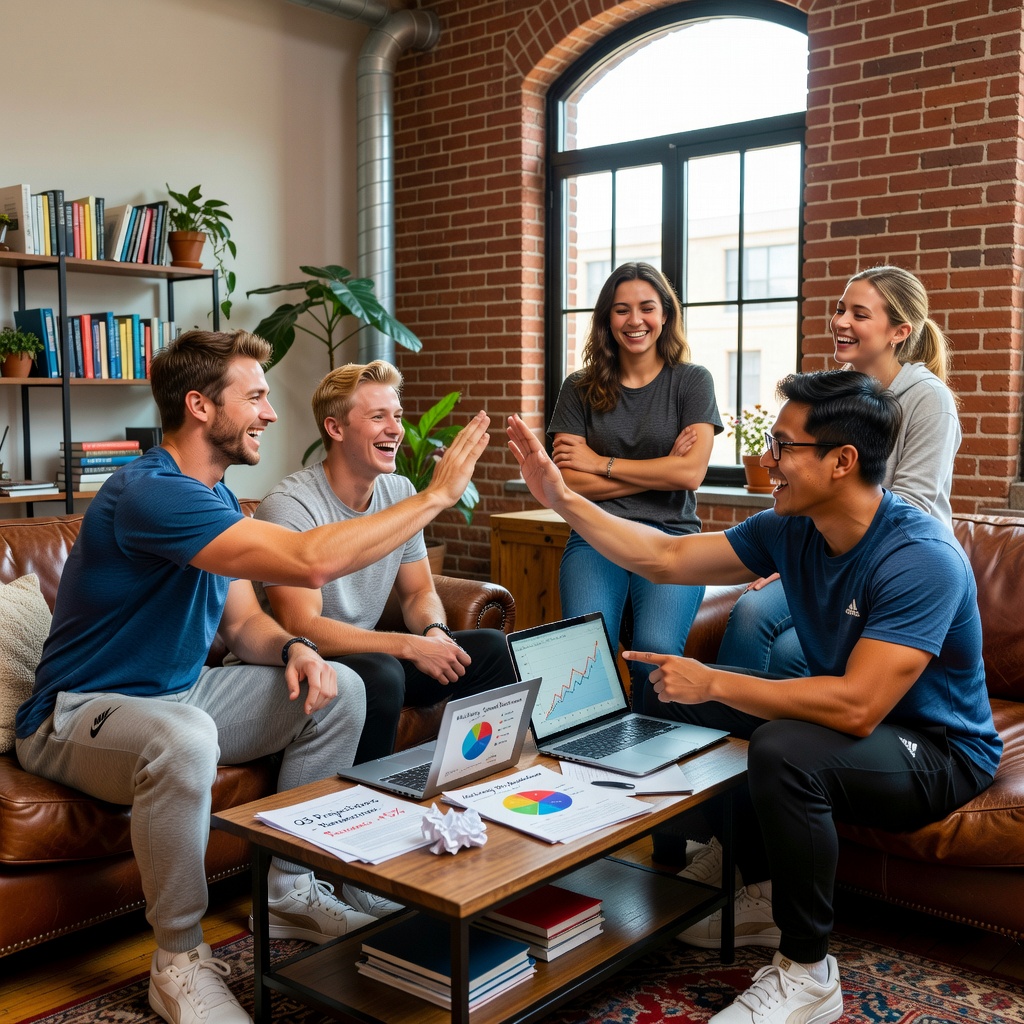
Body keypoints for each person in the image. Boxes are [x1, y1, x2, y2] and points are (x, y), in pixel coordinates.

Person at [14, 329, 490, 1024]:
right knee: (183, 739)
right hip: (80, 713)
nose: (270, 413)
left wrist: (297, 646)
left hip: (180, 695)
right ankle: (177, 959)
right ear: (202, 406)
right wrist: (435, 496)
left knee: (342, 688)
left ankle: (289, 891)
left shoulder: (212, 498)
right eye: (257, 396)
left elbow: (242, 627)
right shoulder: (151, 493)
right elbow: (307, 563)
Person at [507, 370, 1000, 1024]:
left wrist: (715, 680)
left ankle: (809, 973)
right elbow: (661, 557)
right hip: (857, 726)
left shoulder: (920, 556)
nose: (768, 458)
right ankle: (765, 888)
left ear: (841, 461)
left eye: (783, 445)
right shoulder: (789, 529)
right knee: (661, 693)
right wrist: (561, 495)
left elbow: (858, 706)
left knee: (784, 748)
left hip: (936, 749)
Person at [254, 360, 517, 763]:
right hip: (314, 664)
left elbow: (418, 592)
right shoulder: (290, 506)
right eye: (378, 417)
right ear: (335, 428)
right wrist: (407, 646)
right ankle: (367, 803)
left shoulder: (399, 491)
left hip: (375, 656)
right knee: (383, 672)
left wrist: (433, 632)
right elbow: (302, 626)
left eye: (396, 416)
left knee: (489, 649)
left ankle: (474, 779)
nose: (395, 429)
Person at [716, 265, 961, 677]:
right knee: (751, 611)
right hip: (830, 551)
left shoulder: (928, 398)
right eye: (840, 309)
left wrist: (815, 557)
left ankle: (776, 736)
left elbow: (912, 505)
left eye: (859, 315)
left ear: (899, 332)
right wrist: (798, 556)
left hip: (892, 566)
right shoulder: (839, 390)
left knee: (789, 653)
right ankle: (727, 732)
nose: (840, 322)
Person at [547, 261, 722, 705]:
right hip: (595, 536)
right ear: (608, 318)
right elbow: (568, 483)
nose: (635, 320)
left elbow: (689, 474)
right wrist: (659, 470)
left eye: (647, 307)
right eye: (622, 309)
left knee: (655, 657)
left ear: (665, 314)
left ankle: (651, 753)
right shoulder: (579, 388)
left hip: (671, 540)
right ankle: (591, 757)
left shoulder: (692, 382)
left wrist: (600, 463)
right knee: (585, 657)